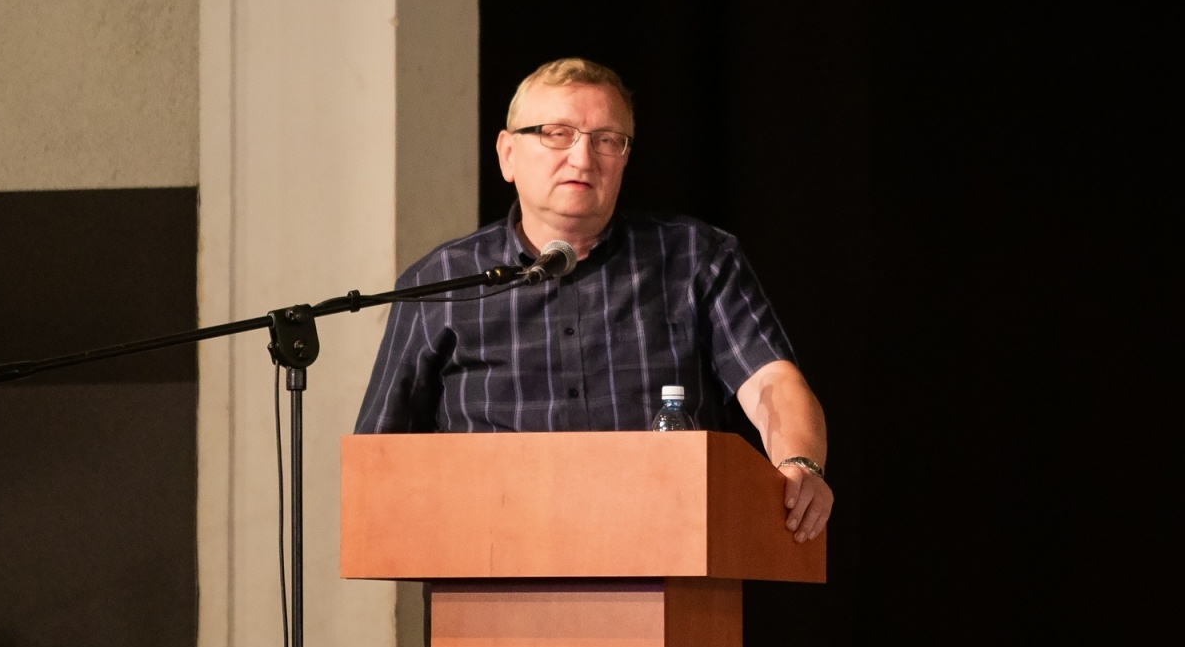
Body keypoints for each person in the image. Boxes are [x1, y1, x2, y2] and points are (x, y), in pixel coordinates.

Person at [355, 57, 833, 543]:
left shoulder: (693, 257)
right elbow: (379, 459)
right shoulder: (443, 282)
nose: (583, 159)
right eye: (556, 133)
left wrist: (799, 463)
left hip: (666, 556)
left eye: (607, 140)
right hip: (490, 566)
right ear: (507, 154)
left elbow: (770, 377)